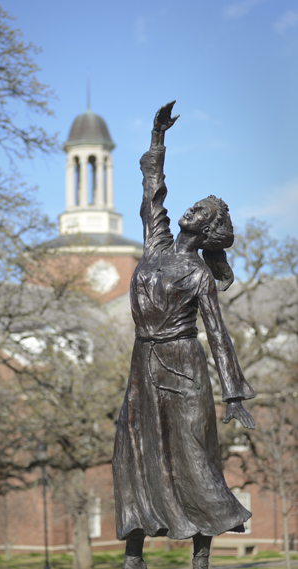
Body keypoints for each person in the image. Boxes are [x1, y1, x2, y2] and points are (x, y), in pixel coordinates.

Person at [112, 102, 256, 569]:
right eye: (195, 205)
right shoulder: (156, 242)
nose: (192, 209)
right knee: (133, 449)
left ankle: (201, 556)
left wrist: (234, 395)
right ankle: (133, 551)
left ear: (210, 228)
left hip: (184, 365)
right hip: (144, 365)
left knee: (194, 456)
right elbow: (152, 194)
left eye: (203, 210)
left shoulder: (200, 276)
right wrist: (157, 140)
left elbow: (218, 335)